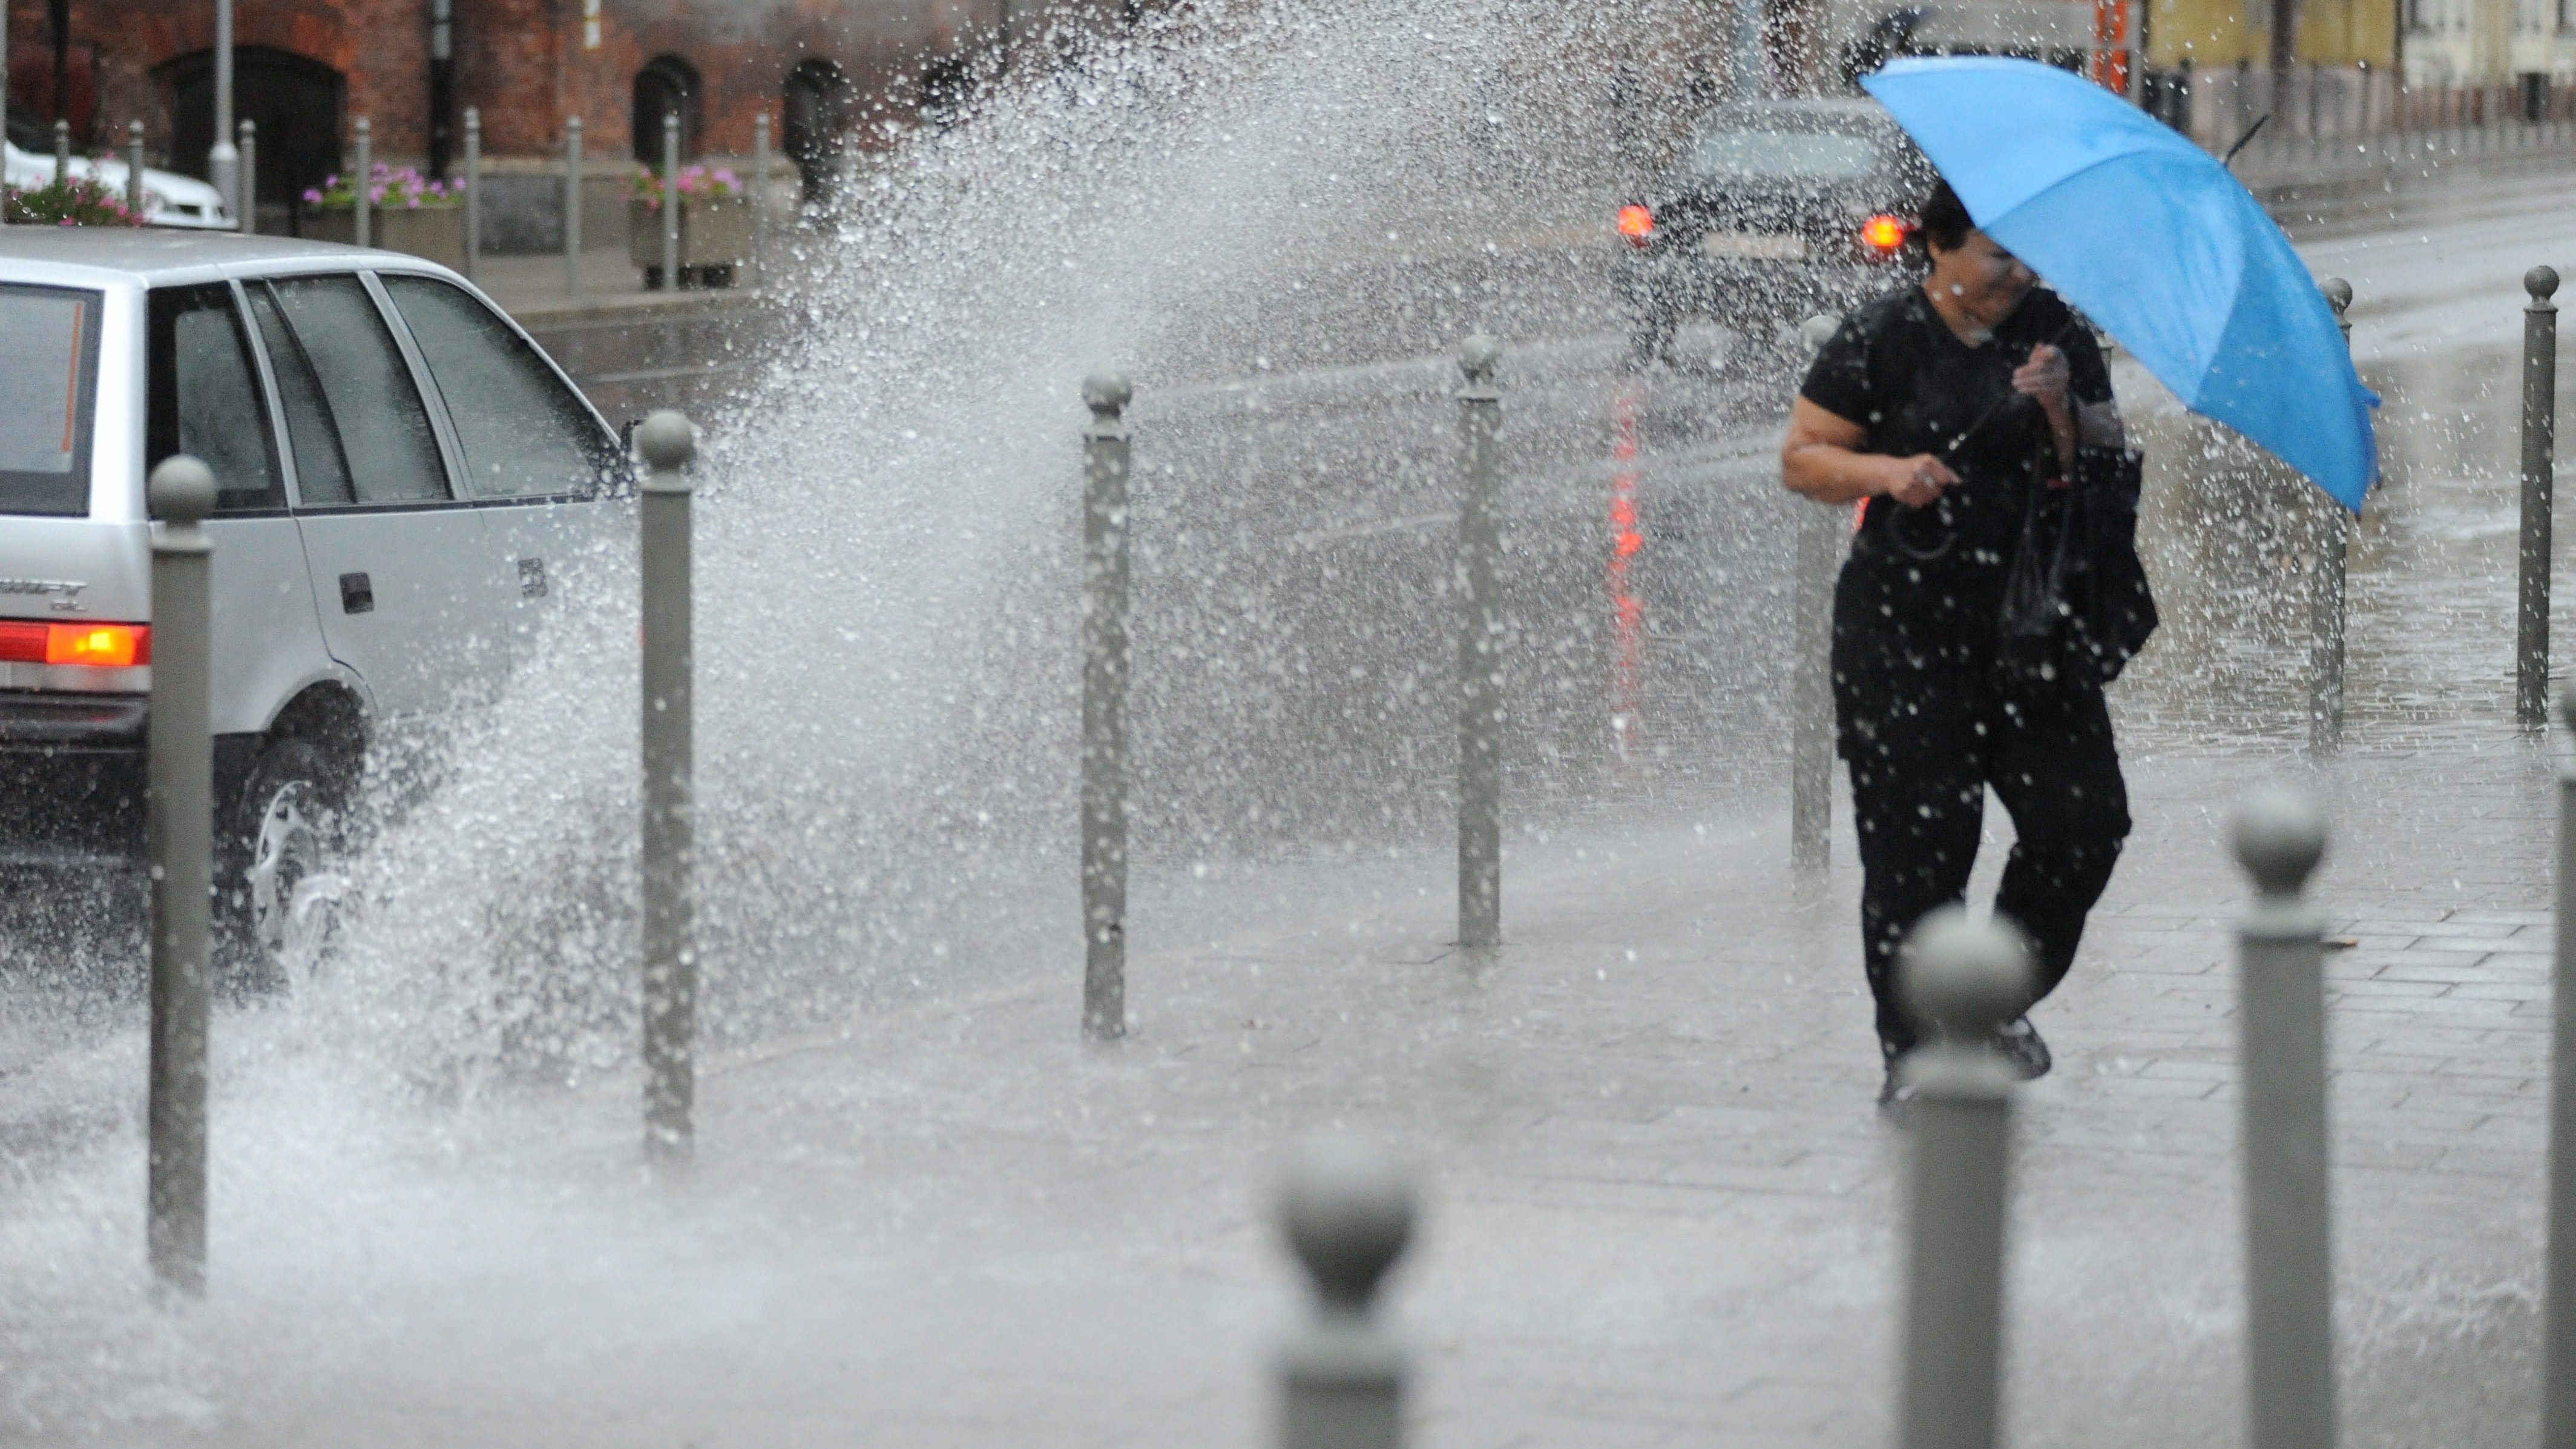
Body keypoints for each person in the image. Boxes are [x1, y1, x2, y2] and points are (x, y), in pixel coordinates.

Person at [1778, 179, 2137, 1109]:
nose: (2017, 274)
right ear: (1937, 245)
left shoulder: (2056, 329)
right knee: (1917, 854)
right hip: (1904, 631)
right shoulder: (1883, 334)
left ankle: (1996, 997)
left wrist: (2057, 407)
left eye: (2027, 254)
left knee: (2081, 825)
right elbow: (1804, 457)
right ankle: (1916, 1050)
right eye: (1995, 253)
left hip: (2034, 628)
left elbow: (2102, 462)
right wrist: (1888, 471)